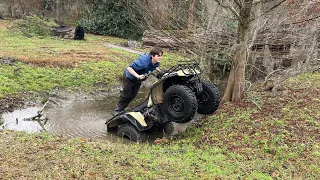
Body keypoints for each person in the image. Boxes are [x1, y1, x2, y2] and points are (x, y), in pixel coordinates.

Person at [114, 47, 163, 115]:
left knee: (133, 95)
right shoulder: (143, 62)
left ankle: (123, 108)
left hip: (139, 79)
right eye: (158, 56)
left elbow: (154, 66)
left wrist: (160, 71)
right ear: (152, 56)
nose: (160, 58)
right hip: (129, 77)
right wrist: (138, 76)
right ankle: (117, 110)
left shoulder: (156, 62)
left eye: (161, 56)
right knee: (126, 95)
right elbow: (129, 68)